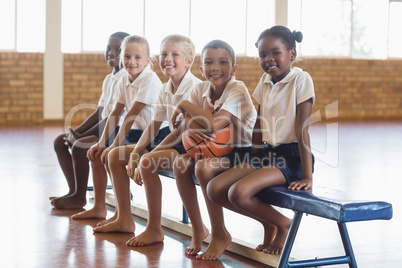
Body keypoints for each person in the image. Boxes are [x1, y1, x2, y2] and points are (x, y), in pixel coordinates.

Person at [206, 25, 315, 256]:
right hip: (267, 154)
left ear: (292, 54)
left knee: (238, 193)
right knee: (214, 188)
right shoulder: (265, 81)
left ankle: (283, 225)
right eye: (263, 55)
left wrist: (307, 176)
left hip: (292, 156)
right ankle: (269, 223)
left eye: (276, 52)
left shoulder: (301, 79)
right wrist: (253, 155)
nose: (269, 59)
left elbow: (302, 129)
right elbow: (258, 121)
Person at [92, 34, 201, 234]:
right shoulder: (166, 88)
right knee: (114, 155)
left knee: (146, 161)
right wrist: (134, 152)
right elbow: (152, 124)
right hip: (165, 139)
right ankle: (124, 217)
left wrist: (143, 154)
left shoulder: (194, 88)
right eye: (165, 54)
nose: (168, 59)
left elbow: (177, 132)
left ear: (189, 61)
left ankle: (154, 228)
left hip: (187, 146)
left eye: (174, 54)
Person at [168, 40, 257, 260]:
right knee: (180, 163)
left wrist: (185, 106)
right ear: (201, 68)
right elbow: (184, 124)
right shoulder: (200, 88)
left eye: (222, 62)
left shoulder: (237, 89)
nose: (215, 67)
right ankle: (198, 228)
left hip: (243, 152)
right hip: (217, 150)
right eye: (209, 62)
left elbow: (214, 125)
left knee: (204, 169)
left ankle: (220, 233)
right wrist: (189, 115)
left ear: (234, 69)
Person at [71, 35, 163, 222]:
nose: (131, 61)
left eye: (137, 57)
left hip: (156, 135)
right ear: (122, 58)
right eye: (127, 57)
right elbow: (115, 113)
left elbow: (131, 116)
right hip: (137, 133)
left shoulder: (149, 80)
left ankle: (124, 217)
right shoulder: (124, 80)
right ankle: (100, 207)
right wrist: (101, 142)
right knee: (97, 154)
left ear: (148, 60)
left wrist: (113, 146)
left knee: (113, 155)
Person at [50, 31, 129, 209]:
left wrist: (80, 137)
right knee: (60, 141)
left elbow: (112, 118)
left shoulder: (126, 78)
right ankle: (74, 191)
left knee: (80, 146)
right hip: (105, 128)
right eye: (109, 48)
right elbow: (99, 112)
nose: (112, 52)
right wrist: (76, 132)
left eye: (118, 49)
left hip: (118, 132)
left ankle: (79, 197)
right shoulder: (110, 78)